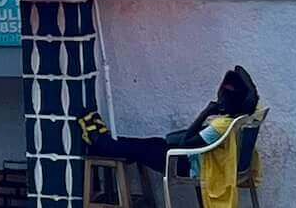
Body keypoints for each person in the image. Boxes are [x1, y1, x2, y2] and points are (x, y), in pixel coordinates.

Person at [78, 66, 259, 208]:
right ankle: (108, 143)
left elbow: (184, 143)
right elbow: (242, 77)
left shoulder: (220, 125)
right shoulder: (239, 118)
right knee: (153, 143)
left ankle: (101, 143)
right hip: (196, 160)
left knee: (143, 149)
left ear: (225, 100)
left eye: (220, 95)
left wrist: (206, 112)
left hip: (185, 165)